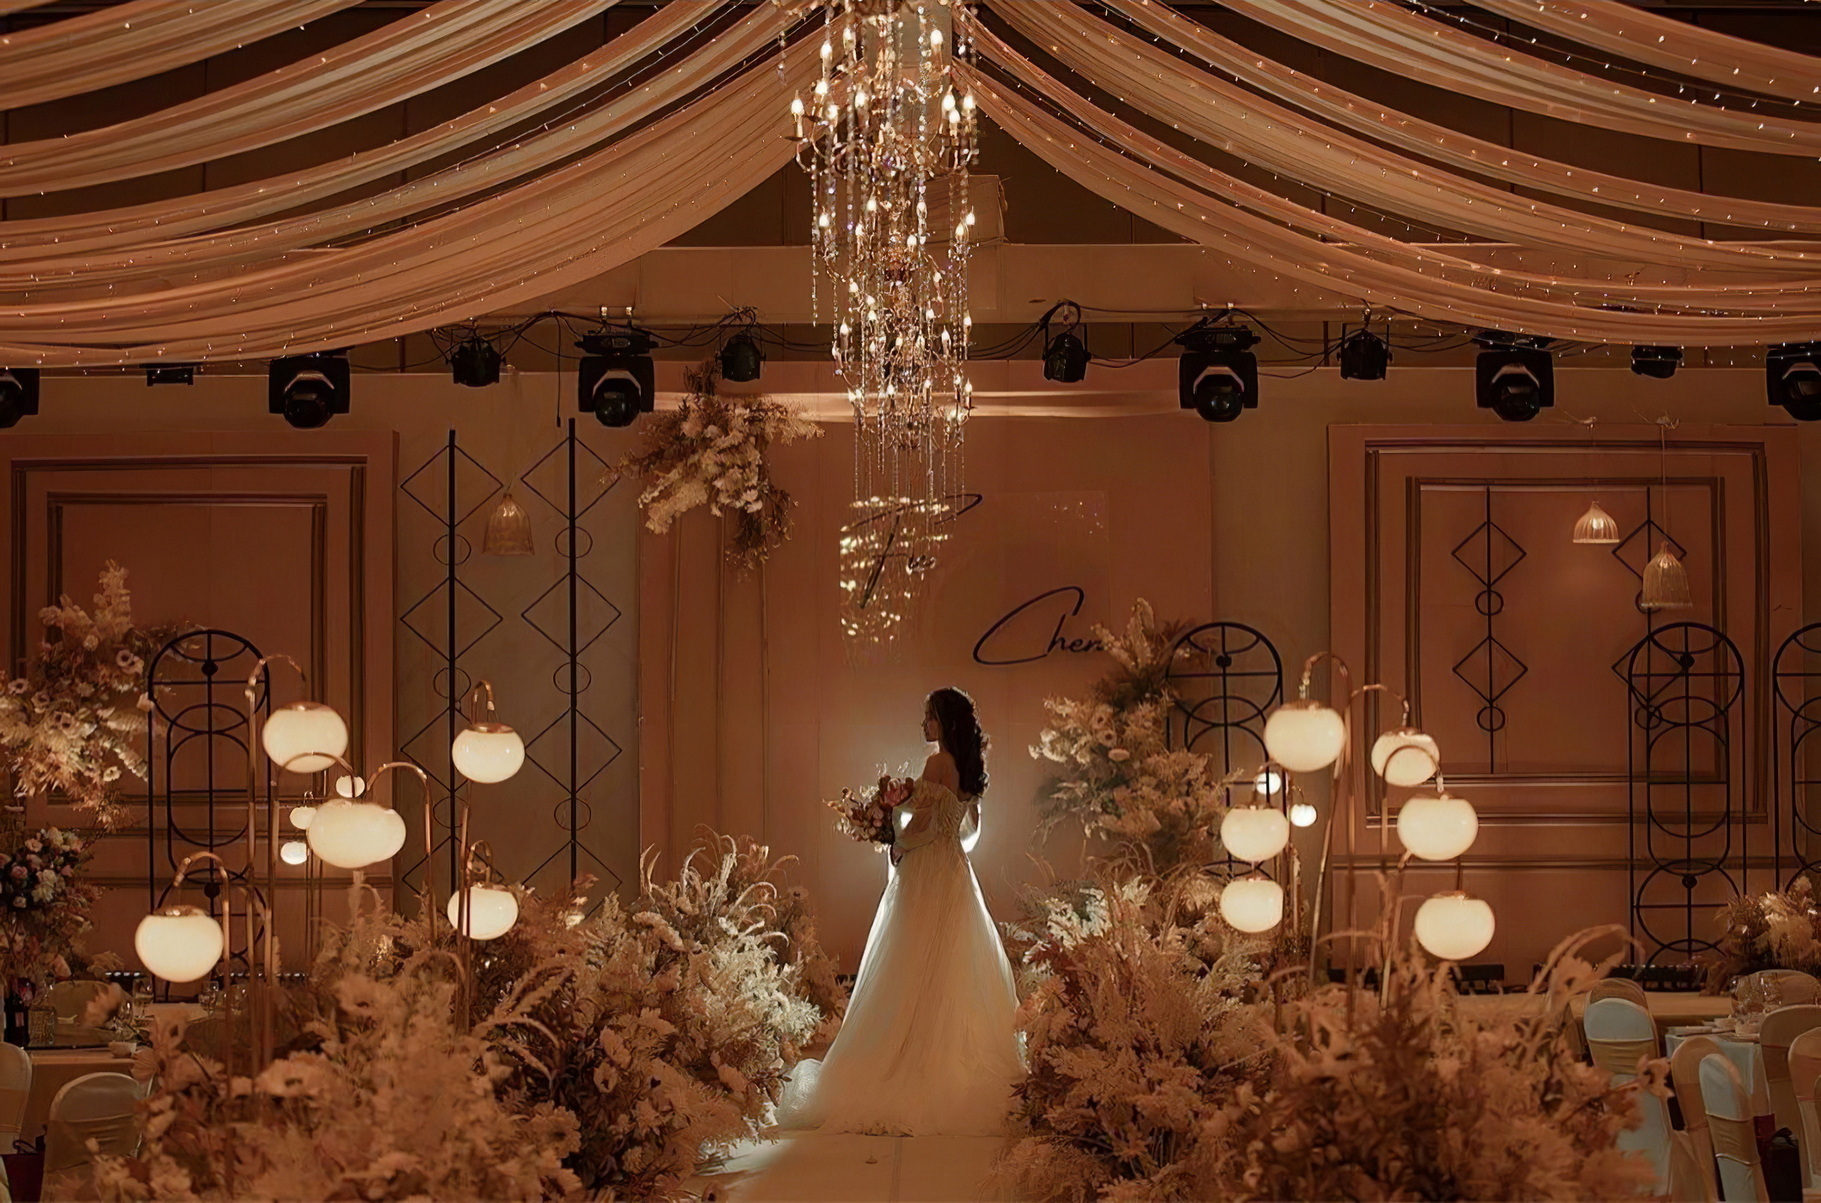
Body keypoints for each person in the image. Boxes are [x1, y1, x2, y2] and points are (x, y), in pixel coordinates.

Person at [775, 687, 1025, 1135]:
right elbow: (969, 834)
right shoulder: (969, 768)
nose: (923, 724)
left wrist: (896, 841)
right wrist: (902, 819)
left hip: (926, 870)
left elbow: (924, 826)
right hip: (955, 872)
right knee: (948, 962)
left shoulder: (937, 762)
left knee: (910, 959)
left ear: (944, 722)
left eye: (929, 717)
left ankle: (908, 1055)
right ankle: (940, 1052)